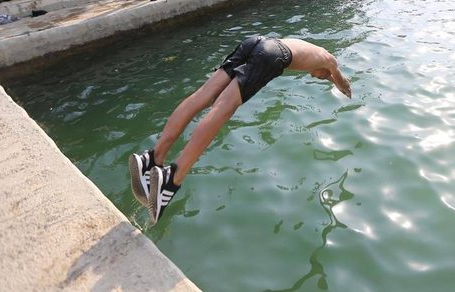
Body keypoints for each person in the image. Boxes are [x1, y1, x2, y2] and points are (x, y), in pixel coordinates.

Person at [129, 35, 352, 224]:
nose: (317, 76)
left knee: (203, 95)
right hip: (272, 56)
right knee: (222, 110)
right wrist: (341, 84)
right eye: (320, 75)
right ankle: (172, 178)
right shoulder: (325, 56)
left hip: (254, 42)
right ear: (323, 70)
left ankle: (152, 158)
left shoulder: (306, 48)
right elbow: (336, 70)